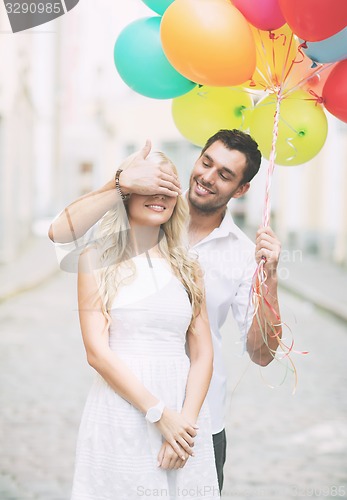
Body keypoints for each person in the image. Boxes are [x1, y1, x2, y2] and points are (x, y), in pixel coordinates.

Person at [49, 129, 282, 492]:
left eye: (224, 174)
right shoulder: (119, 237)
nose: (207, 176)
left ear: (240, 190)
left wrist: (269, 278)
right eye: (206, 163)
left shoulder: (231, 256)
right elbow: (60, 232)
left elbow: (262, 354)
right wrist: (120, 183)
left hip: (199, 420)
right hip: (127, 409)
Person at [67, 151, 220, 500]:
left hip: (184, 414)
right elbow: (97, 352)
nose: (161, 196)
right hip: (123, 409)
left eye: (169, 188)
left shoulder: (188, 267)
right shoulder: (96, 259)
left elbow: (203, 353)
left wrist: (185, 425)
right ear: (128, 193)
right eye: (151, 185)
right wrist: (158, 414)